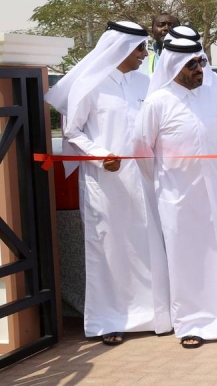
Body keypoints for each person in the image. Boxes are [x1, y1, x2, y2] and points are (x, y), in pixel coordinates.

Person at [52, 21, 170, 346]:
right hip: (105, 182)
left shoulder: (145, 83)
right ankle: (109, 320)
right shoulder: (89, 85)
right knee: (109, 249)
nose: (144, 54)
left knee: (148, 245)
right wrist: (101, 156)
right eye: (140, 48)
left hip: (143, 180)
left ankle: (155, 316)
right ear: (121, 49)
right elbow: (72, 132)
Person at [133, 38, 217, 349]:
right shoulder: (157, 102)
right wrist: (165, 180)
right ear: (174, 67)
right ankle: (192, 323)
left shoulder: (214, 93)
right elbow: (141, 150)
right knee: (185, 258)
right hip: (176, 195)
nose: (200, 69)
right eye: (192, 64)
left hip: (215, 190)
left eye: (202, 63)